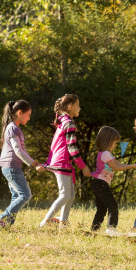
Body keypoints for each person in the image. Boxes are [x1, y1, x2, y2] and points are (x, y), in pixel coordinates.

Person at [40, 94, 91, 228]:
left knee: (71, 195)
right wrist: (83, 166)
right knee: (64, 195)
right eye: (78, 106)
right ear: (70, 106)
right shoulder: (69, 123)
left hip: (63, 162)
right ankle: (45, 222)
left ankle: (63, 223)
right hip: (61, 162)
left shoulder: (63, 121)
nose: (80, 109)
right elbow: (72, 147)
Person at [0, 100, 45, 227]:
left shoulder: (14, 128)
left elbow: (22, 150)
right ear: (20, 113)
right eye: (28, 115)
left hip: (11, 167)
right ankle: (1, 218)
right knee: (25, 195)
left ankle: (7, 224)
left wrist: (36, 162)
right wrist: (33, 164)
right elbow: (18, 150)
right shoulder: (13, 128)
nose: (29, 118)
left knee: (16, 195)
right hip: (11, 167)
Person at [90, 126, 136, 234]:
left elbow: (118, 164)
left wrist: (132, 165)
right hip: (101, 183)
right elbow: (117, 168)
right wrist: (132, 166)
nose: (115, 145)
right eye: (114, 142)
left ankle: (94, 229)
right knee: (113, 205)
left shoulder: (104, 153)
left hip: (98, 184)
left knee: (101, 209)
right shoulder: (106, 154)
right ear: (108, 141)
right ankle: (111, 228)